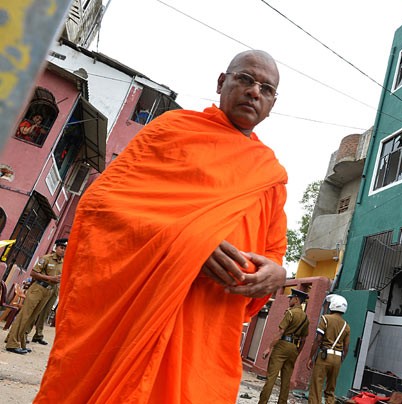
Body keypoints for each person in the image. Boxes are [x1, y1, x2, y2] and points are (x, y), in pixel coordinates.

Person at [35, 50, 288, 404]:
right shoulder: (172, 131)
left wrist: (276, 274)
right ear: (221, 82)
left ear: (273, 102)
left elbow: (274, 250)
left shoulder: (269, 177)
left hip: (209, 331)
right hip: (140, 313)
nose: (254, 92)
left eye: (266, 88)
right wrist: (188, 244)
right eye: (245, 79)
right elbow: (101, 206)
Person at [4, 238, 66, 354]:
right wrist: (50, 278)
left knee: (32, 318)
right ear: (56, 248)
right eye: (62, 248)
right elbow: (33, 273)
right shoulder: (46, 259)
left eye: (66, 249)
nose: (64, 251)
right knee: (25, 315)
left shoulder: (63, 263)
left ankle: (20, 341)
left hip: (49, 291)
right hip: (38, 289)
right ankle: (12, 344)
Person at [259, 288, 310, 404]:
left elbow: (280, 332)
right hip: (293, 348)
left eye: (291, 298)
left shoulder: (290, 313)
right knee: (286, 381)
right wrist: (297, 352)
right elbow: (304, 339)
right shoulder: (305, 318)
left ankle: (262, 402)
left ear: (296, 299)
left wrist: (269, 348)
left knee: (271, 377)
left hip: (282, 345)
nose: (289, 300)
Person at [306, 294, 351, 404]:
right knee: (331, 389)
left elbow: (318, 339)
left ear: (333, 305)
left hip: (325, 356)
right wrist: (341, 359)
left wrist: (310, 357)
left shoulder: (325, 319)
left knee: (317, 386)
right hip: (337, 358)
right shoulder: (346, 325)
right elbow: (346, 347)